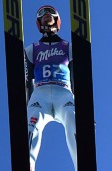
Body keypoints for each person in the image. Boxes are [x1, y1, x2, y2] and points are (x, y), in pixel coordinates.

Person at [24, 5, 77, 171]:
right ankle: (28, 164)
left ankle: (81, 162)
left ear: (57, 21)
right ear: (39, 23)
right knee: (33, 122)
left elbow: (77, 77)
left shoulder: (68, 47)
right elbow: (27, 81)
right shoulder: (31, 49)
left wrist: (86, 113)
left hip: (64, 92)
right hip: (41, 93)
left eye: (50, 15)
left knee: (72, 117)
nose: (46, 16)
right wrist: (26, 105)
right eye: (43, 15)